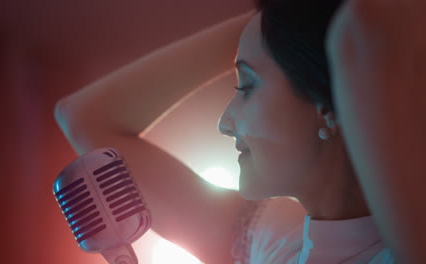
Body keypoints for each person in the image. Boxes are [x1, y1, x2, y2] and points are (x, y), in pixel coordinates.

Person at [55, 0, 426, 263]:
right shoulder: (271, 243)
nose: (224, 122)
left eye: (247, 86)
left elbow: (364, 26)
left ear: (326, 108)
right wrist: (284, 18)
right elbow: (82, 118)